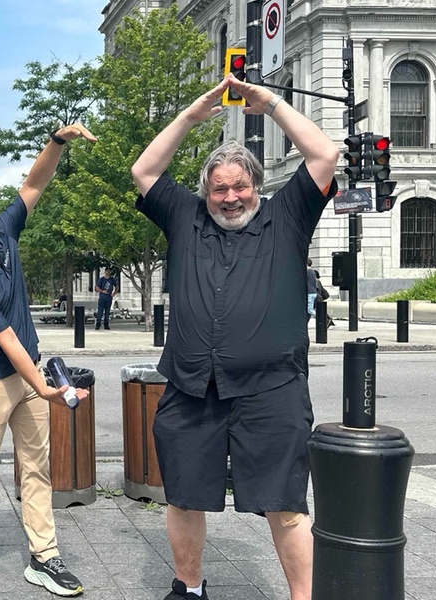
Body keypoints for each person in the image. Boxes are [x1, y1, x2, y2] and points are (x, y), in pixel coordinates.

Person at [131, 74, 339, 600]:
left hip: (272, 390)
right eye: (219, 188)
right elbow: (144, 170)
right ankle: (189, 587)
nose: (230, 197)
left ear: (256, 186)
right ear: (206, 192)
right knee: (183, 496)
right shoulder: (185, 216)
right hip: (191, 387)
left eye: (239, 186)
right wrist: (189, 116)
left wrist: (270, 103)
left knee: (285, 504)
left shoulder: (286, 216)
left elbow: (324, 154)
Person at [0, 123, 96, 596]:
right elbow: (8, 340)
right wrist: (45, 388)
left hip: (29, 379)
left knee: (36, 468)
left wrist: (57, 141)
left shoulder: (6, 234)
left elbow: (33, 185)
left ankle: (44, 557)